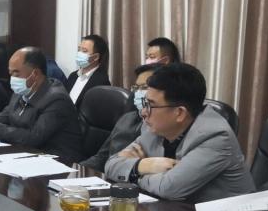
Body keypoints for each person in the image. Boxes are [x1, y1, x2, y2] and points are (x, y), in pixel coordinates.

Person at [104, 62, 254, 202]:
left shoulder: (216, 137)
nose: (143, 112)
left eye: (150, 105)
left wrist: (132, 175)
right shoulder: (153, 127)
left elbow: (168, 188)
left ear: (180, 113)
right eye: (145, 103)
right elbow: (111, 165)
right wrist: (143, 165)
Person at [80, 63, 158, 171]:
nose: (138, 92)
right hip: (110, 173)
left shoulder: (161, 126)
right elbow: (102, 156)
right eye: (136, 88)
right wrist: (79, 170)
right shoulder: (127, 118)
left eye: (144, 87)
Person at [65, 34, 111, 110]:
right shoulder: (73, 76)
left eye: (84, 51)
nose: (79, 53)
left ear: (96, 57)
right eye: (79, 50)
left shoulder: (102, 82)